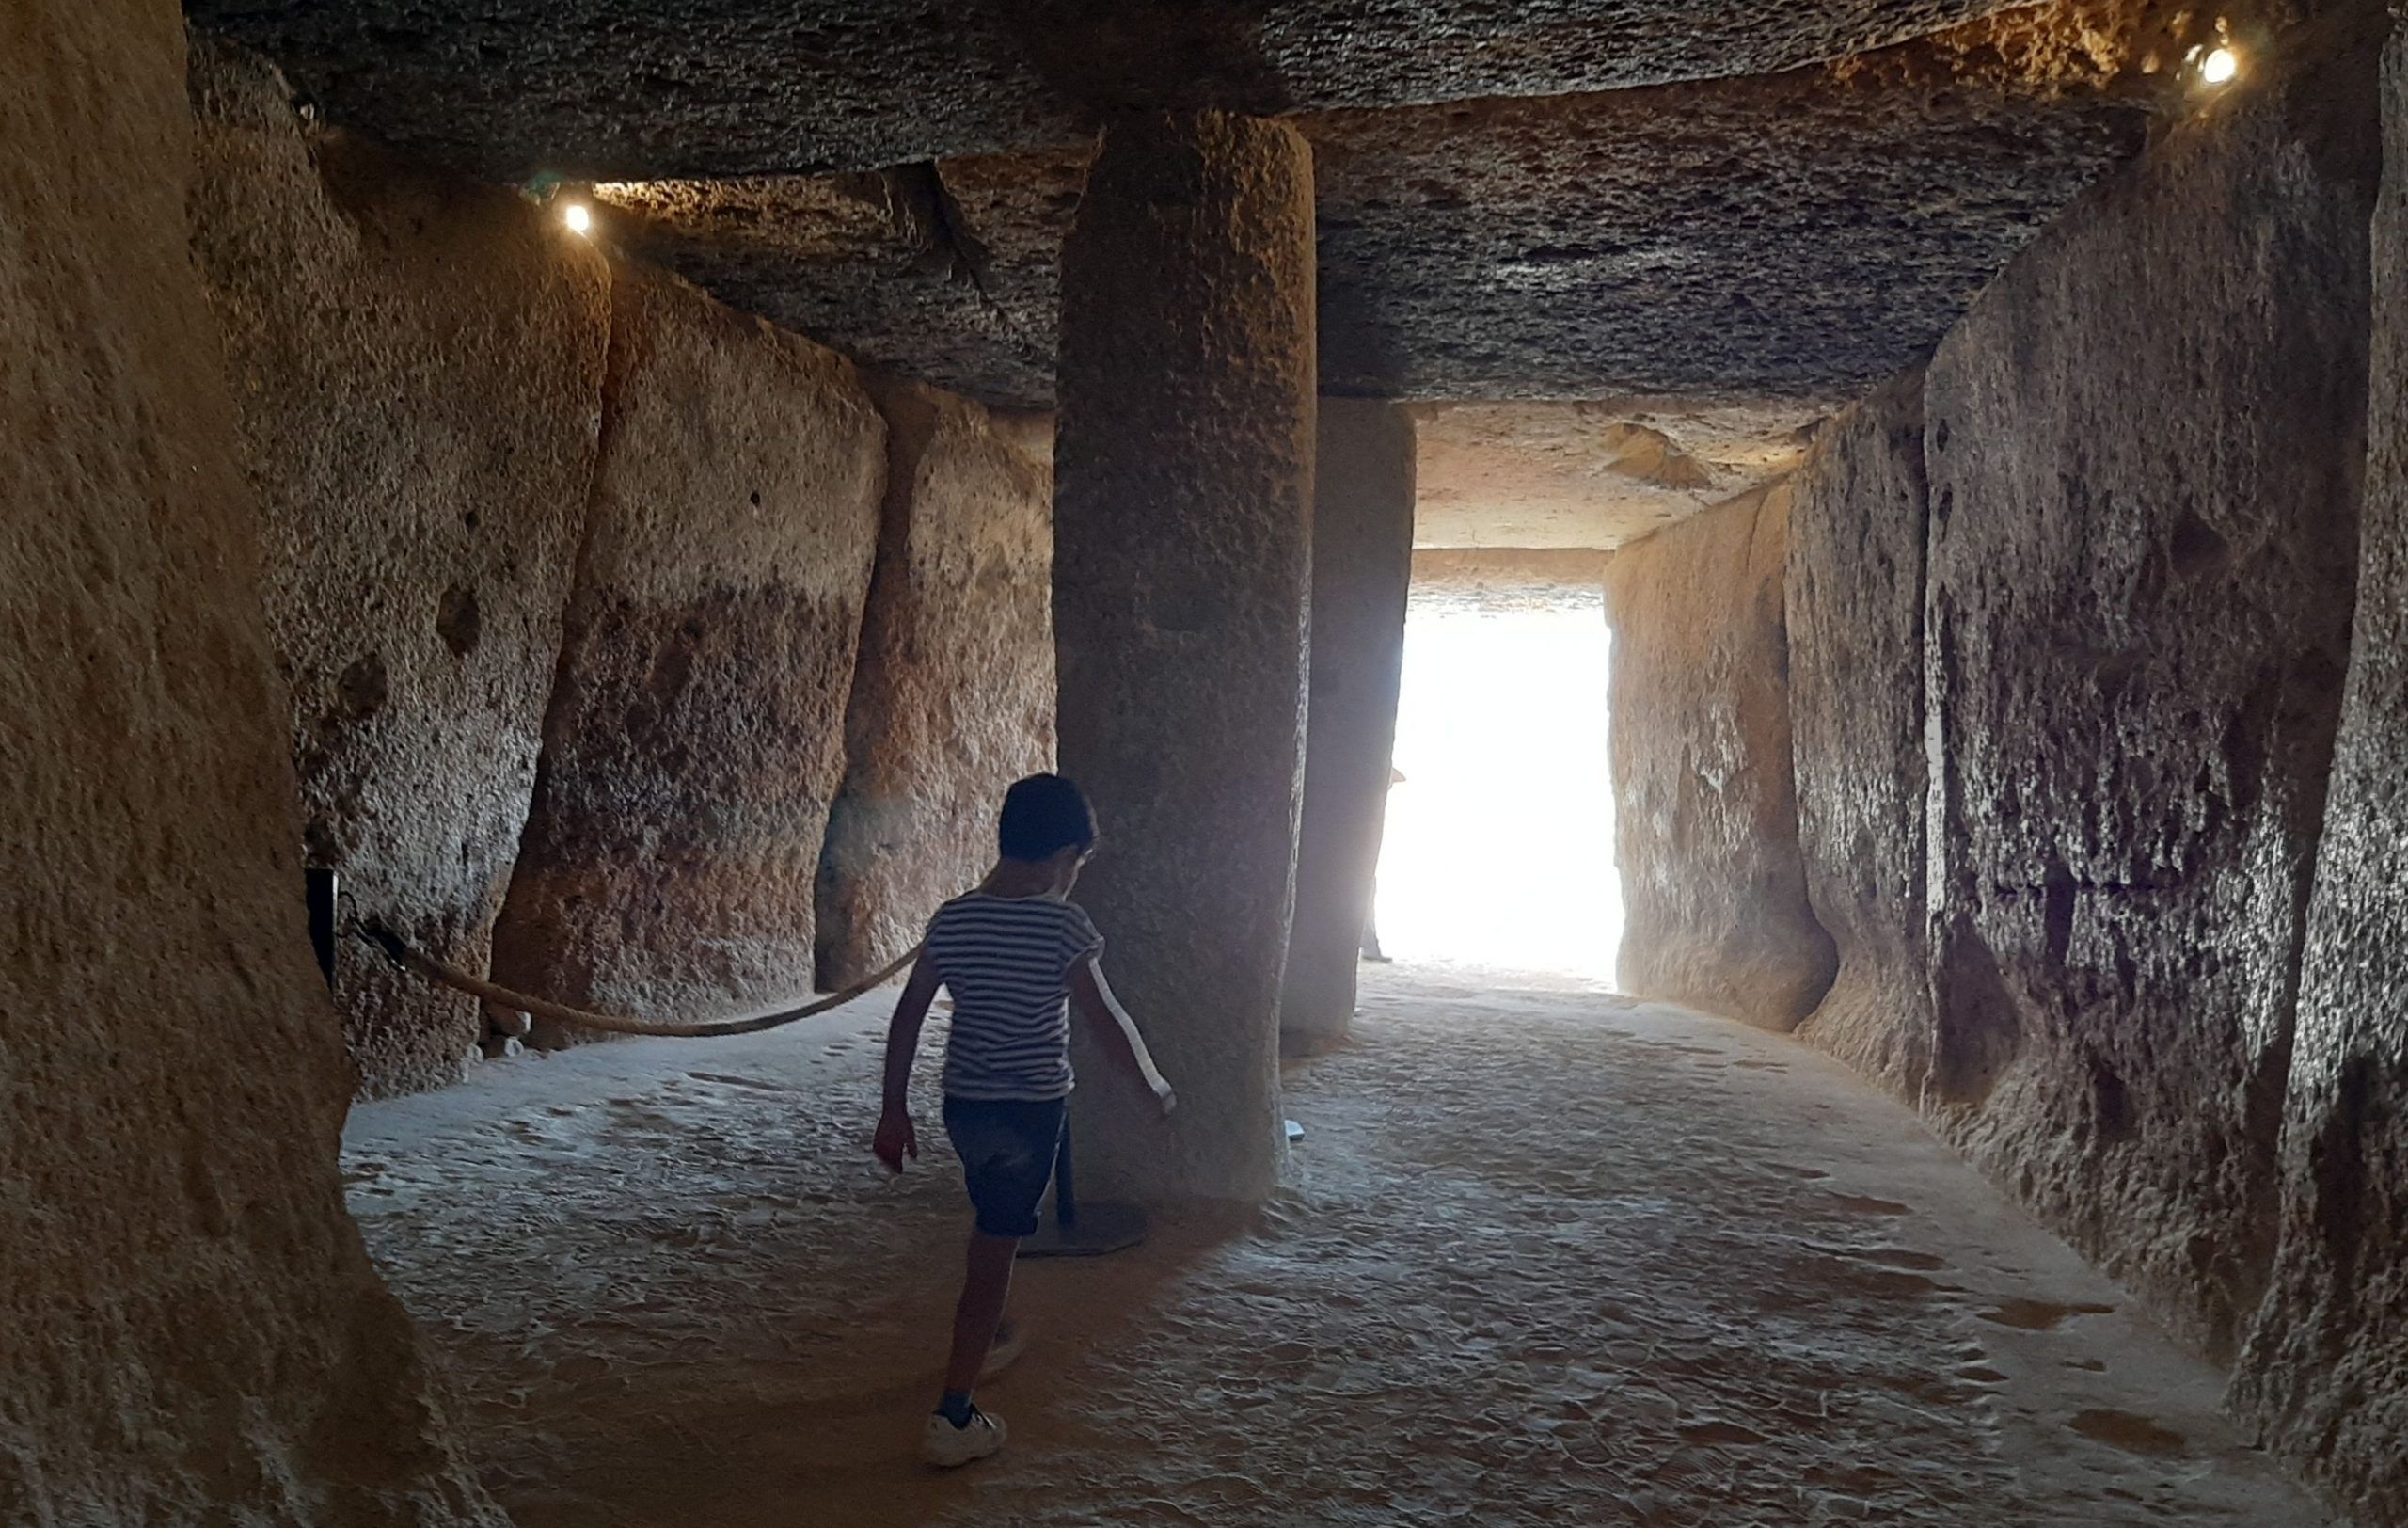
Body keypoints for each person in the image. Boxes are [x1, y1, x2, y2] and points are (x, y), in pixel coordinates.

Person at [873, 772, 1177, 1468]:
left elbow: (908, 1014)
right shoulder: (1064, 925)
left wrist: (893, 1108)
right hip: (1030, 1113)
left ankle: (986, 1325)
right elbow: (1105, 1020)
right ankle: (954, 1415)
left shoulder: (952, 919)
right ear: (1064, 855)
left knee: (992, 1224)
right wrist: (1150, 1086)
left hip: (966, 1109)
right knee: (993, 1251)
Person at [1360, 765, 1405, 963]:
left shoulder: (1371, 800)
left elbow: (1401, 777)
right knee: (1362, 898)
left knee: (1365, 897)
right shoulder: (1366, 799)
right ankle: (1369, 946)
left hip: (1363, 856)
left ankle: (1370, 946)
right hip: (1358, 856)